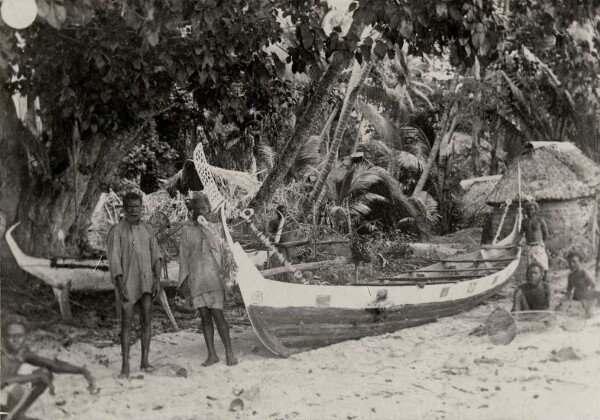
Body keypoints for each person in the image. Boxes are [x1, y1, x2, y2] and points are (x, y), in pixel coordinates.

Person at [178, 193, 238, 367]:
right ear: (192, 211)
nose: (200, 212)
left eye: (203, 208)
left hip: (214, 279)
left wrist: (230, 279)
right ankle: (212, 354)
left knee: (218, 315)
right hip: (197, 279)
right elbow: (183, 257)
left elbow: (227, 254)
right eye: (196, 209)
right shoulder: (187, 230)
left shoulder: (218, 229)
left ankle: (229, 353)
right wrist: (183, 282)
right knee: (204, 317)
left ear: (209, 209)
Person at [107, 191, 163, 378]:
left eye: (137, 208)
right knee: (127, 324)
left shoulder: (147, 229)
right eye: (130, 208)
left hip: (146, 282)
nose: (133, 211)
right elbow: (114, 260)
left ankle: (145, 361)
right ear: (124, 209)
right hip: (127, 282)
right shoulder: (117, 231)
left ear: (141, 208)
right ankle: (125, 366)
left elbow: (157, 256)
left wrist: (158, 280)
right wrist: (120, 283)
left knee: (146, 320)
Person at [1, 316, 96, 420]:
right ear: (3, 337)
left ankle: (18, 414)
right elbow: (4, 379)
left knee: (44, 374)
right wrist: (36, 376)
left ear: (25, 337)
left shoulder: (22, 353)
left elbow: (53, 365)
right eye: (11, 336)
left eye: (20, 336)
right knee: (38, 376)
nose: (16, 340)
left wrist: (81, 370)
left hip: (5, 401)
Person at [520, 200, 549, 272]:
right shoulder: (524, 222)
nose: (530, 211)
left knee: (543, 266)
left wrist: (541, 244)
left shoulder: (540, 220)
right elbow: (520, 234)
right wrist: (515, 243)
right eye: (528, 209)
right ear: (526, 210)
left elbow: (546, 234)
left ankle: (544, 282)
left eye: (532, 209)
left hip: (539, 246)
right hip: (529, 247)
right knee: (531, 268)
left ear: (535, 210)